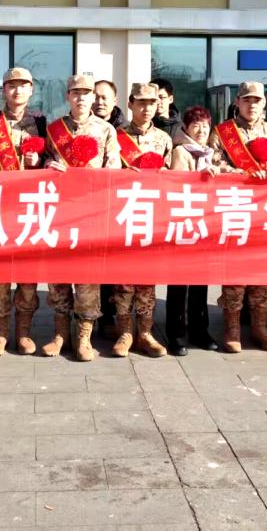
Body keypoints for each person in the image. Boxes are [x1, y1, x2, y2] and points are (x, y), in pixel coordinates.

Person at [208, 80, 267, 353]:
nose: (251, 105)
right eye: (246, 99)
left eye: (256, 100)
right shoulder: (223, 132)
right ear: (237, 102)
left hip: (266, 212)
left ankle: (260, 328)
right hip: (235, 210)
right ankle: (232, 329)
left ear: (264, 103)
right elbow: (213, 162)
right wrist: (238, 172)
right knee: (234, 272)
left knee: (262, 271)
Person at [44, 73, 122, 361]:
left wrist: (86, 176)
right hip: (60, 212)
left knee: (88, 276)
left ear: (93, 98)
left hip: (91, 212)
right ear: (68, 96)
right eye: (75, 92)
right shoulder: (54, 129)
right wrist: (48, 165)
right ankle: (60, 334)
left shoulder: (106, 130)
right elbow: (43, 163)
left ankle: (84, 337)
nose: (80, 98)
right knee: (58, 275)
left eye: (86, 93)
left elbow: (114, 170)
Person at [0, 68, 46, 356]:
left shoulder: (42, 123)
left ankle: (24, 332)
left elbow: (53, 161)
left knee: (28, 276)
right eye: (12, 86)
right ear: (4, 90)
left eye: (23, 86)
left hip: (30, 210)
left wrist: (39, 161)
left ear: (31, 90)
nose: (17, 91)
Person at [111, 83, 172, 359]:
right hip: (123, 214)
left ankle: (145, 333)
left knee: (147, 278)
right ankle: (125, 332)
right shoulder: (116, 136)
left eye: (152, 103)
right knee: (123, 279)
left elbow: (172, 178)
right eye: (141, 103)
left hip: (151, 215)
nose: (147, 108)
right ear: (131, 104)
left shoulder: (164, 139)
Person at [167, 106, 220, 355]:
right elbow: (178, 185)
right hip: (184, 223)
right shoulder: (181, 151)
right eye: (196, 125)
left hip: (205, 225)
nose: (201, 130)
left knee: (201, 282)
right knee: (179, 282)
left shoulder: (209, 152)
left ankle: (200, 329)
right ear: (186, 128)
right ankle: (176, 333)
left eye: (206, 126)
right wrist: (200, 176)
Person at [92, 79, 123, 337]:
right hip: (85, 208)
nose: (99, 101)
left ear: (115, 100)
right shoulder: (69, 128)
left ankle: (110, 317)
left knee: (112, 266)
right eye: (95, 96)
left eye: (105, 97)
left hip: (118, 207)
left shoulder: (124, 130)